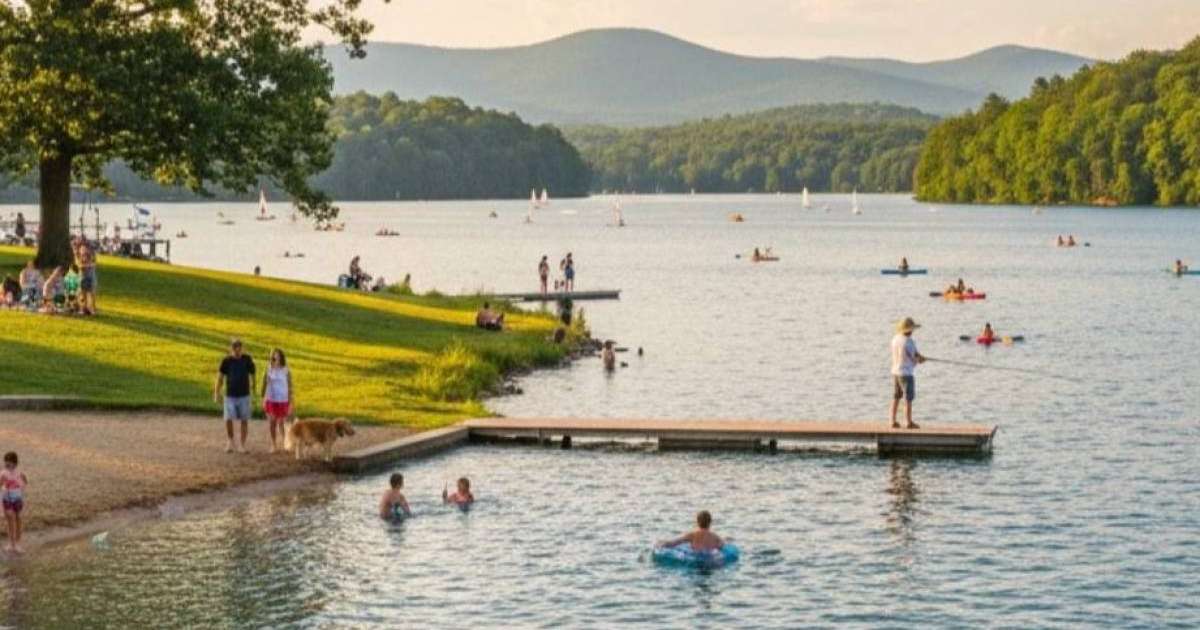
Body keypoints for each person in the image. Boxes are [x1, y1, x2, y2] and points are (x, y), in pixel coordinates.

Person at [214, 338, 256, 453]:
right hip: (230, 395)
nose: (237, 350)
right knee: (228, 418)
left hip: (244, 395)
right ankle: (230, 441)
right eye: (235, 348)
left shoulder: (247, 359)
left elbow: (253, 374)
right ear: (231, 349)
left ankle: (242, 445)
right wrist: (216, 393)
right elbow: (220, 377)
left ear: (242, 348)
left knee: (244, 419)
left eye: (239, 348)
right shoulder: (226, 361)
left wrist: (253, 389)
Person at [889, 317, 925, 430]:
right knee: (908, 398)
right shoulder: (909, 342)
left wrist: (918, 357)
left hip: (895, 372)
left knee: (896, 396)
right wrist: (921, 359)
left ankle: (892, 420)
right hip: (906, 373)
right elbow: (915, 357)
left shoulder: (895, 339)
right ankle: (909, 422)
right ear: (910, 330)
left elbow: (910, 354)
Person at [260, 348, 294, 453]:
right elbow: (263, 385)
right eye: (273, 355)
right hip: (271, 399)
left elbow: (290, 386)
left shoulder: (286, 370)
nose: (275, 357)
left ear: (281, 357)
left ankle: (285, 443)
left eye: (277, 355)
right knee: (272, 422)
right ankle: (274, 444)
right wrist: (263, 398)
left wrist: (291, 401)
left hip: (283, 400)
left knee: (281, 422)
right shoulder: (268, 369)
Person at [657, 510, 725, 552]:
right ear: (710, 522)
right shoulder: (715, 536)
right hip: (710, 559)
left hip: (696, 558)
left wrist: (662, 543)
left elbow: (674, 543)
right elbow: (721, 545)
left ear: (697, 522)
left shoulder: (692, 535)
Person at [1, 451, 27, 554]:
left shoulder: (19, 472)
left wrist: (23, 481)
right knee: (10, 519)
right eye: (6, 461)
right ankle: (11, 544)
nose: (7, 463)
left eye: (9, 461)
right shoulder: (3, 473)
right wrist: (2, 483)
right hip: (7, 499)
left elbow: (24, 483)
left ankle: (18, 543)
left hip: (17, 499)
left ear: (15, 463)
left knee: (18, 519)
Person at [77, 241, 98, 316]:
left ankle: (93, 309)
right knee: (83, 293)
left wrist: (87, 265)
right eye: (81, 249)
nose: (83, 250)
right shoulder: (79, 256)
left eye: (85, 248)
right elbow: (79, 266)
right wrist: (86, 265)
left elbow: (94, 264)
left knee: (92, 293)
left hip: (91, 277)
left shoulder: (92, 255)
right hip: (82, 277)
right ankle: (84, 308)